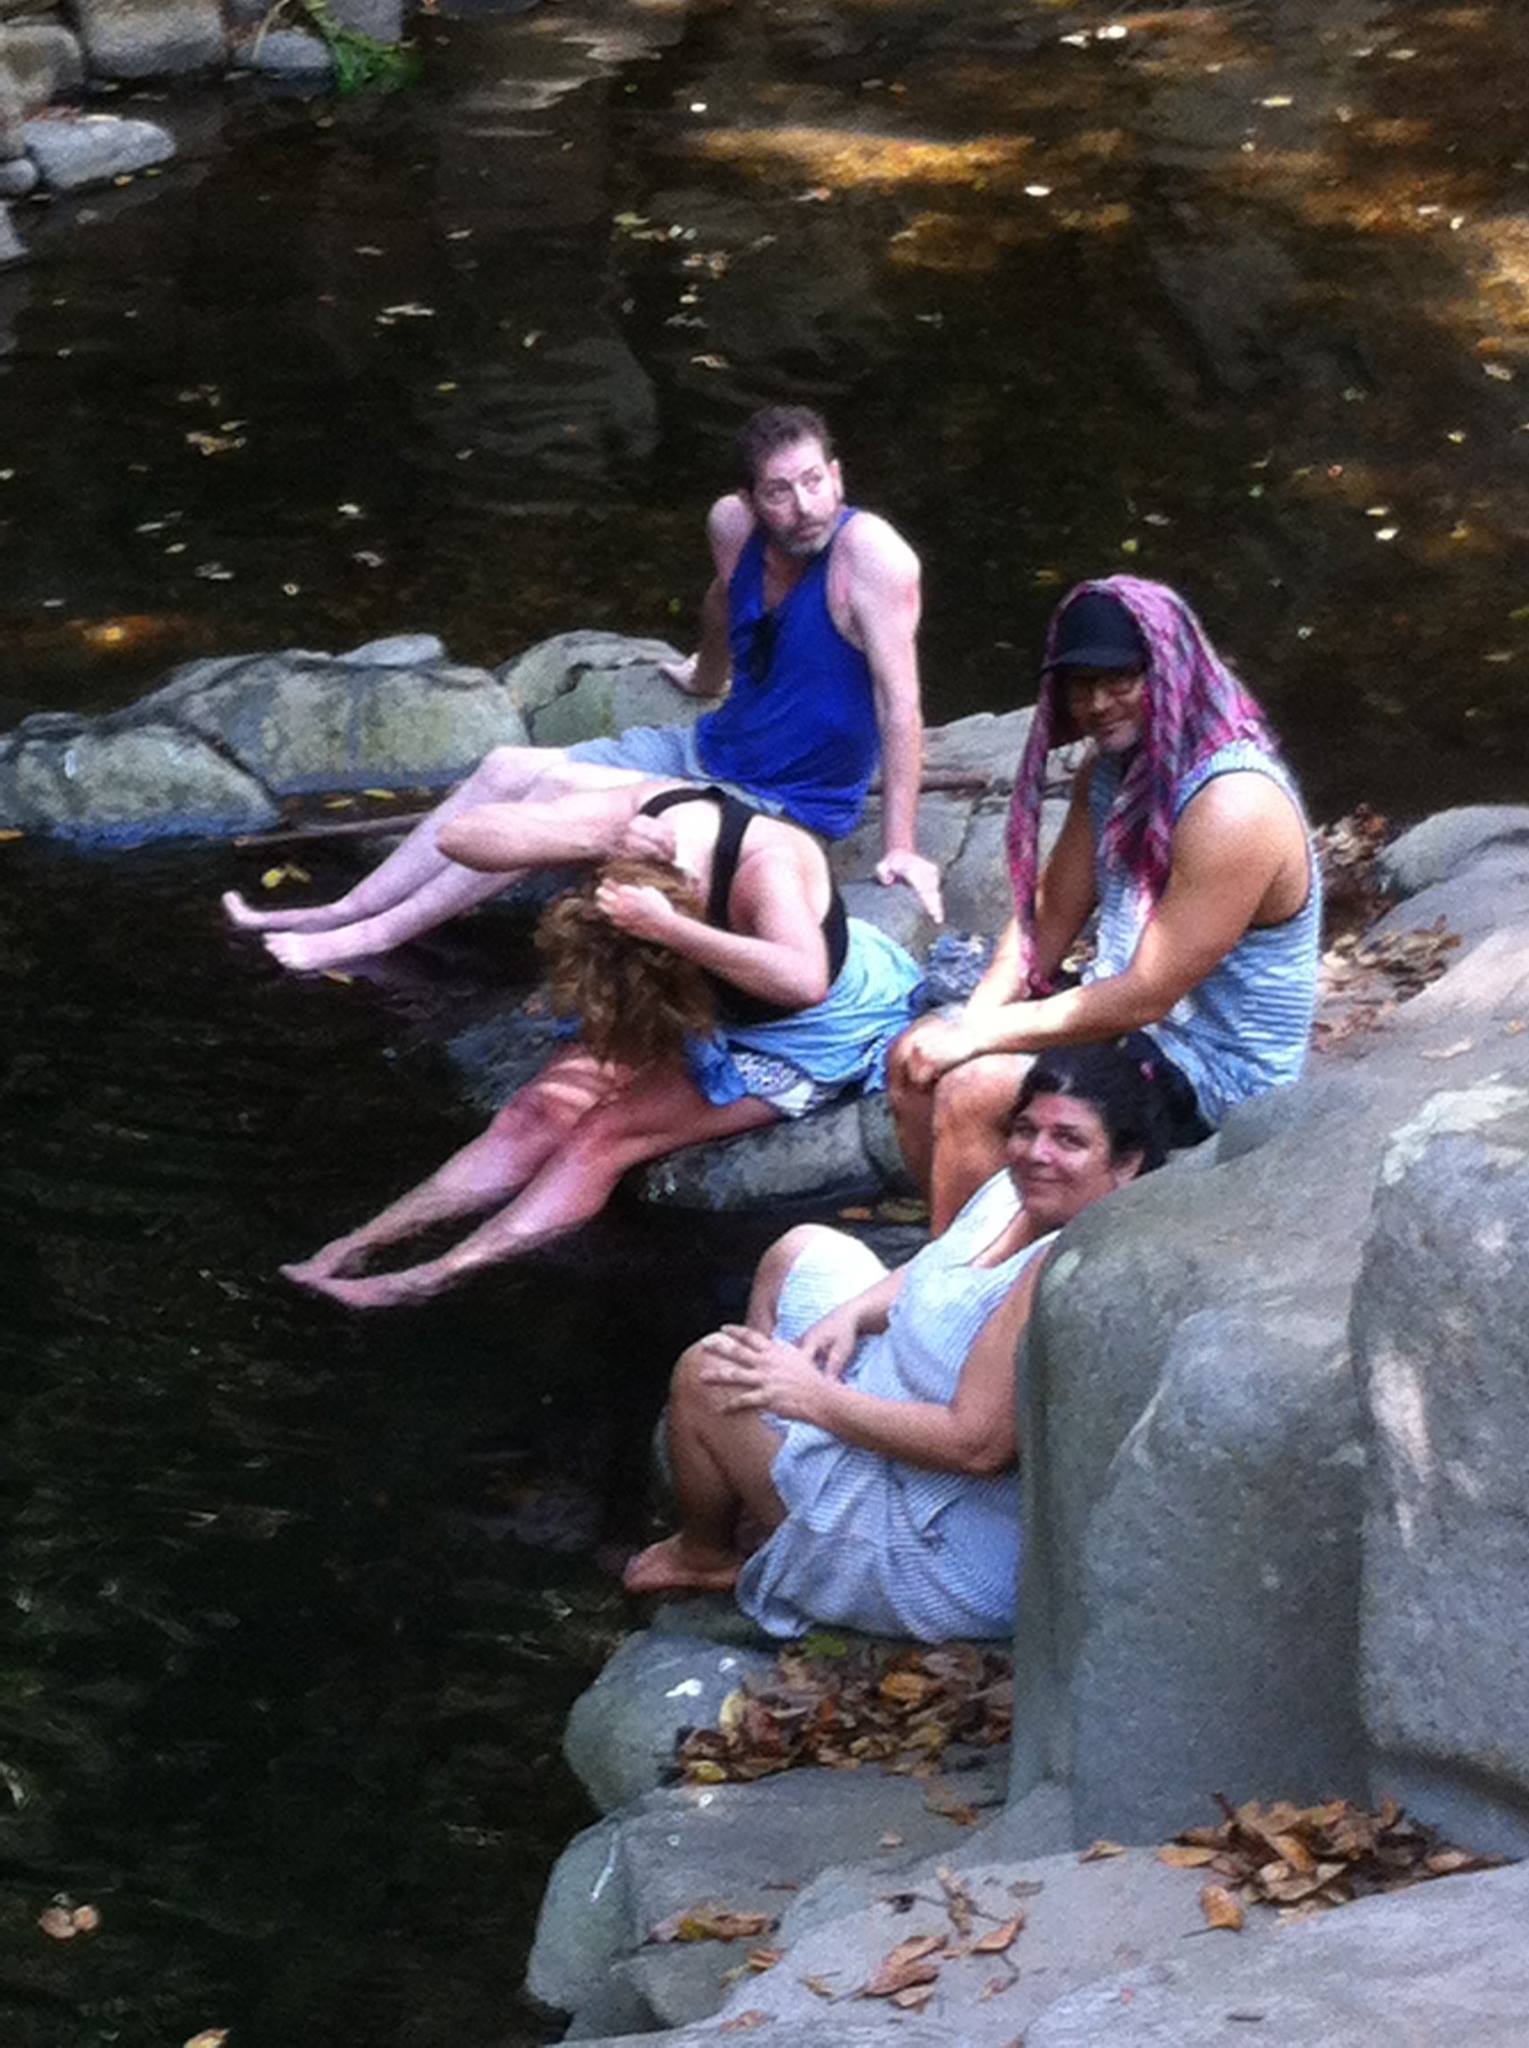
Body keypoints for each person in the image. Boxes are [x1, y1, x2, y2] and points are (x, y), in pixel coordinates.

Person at [223, 405, 941, 971]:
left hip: (779, 802)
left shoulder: (872, 558)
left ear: (837, 476)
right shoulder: (732, 527)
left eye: (814, 482)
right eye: (779, 492)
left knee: (551, 796)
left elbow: (900, 704)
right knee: (503, 766)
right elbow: (726, 602)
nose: (804, 506)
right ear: (750, 499)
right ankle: (340, 909)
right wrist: (705, 676)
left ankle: (372, 937)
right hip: (708, 751)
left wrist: (902, 845)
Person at [280, 777, 920, 1308]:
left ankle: (432, 1276)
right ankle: (357, 1245)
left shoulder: (764, 865)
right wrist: (596, 838)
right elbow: (461, 836)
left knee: (600, 1136)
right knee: (536, 1111)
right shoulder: (646, 809)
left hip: (805, 1027)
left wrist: (670, 931)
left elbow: (802, 980)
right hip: (698, 988)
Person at [622, 1043, 1168, 1642]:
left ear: (1126, 1164)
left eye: (1069, 1140)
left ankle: (705, 1553)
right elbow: (941, 1265)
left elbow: (976, 1447)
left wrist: (811, 1399)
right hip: (897, 1404)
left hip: (940, 1539)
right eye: (1026, 1129)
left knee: (709, 1375)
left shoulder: (1063, 1267)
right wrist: (853, 1314)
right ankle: (760, 1486)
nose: (1036, 1153)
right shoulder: (1019, 1191)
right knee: (799, 1252)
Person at [889, 576, 1319, 1233]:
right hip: (1134, 1033)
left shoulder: (1232, 805)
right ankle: (963, 1246)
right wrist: (973, 1021)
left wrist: (978, 1040)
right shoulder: (1109, 773)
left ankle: (962, 1283)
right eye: (1079, 684)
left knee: (976, 1090)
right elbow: (1046, 916)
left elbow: (1147, 995)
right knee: (912, 1056)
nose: (1095, 703)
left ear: (1168, 671)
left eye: (1119, 680)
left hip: (1214, 1075)